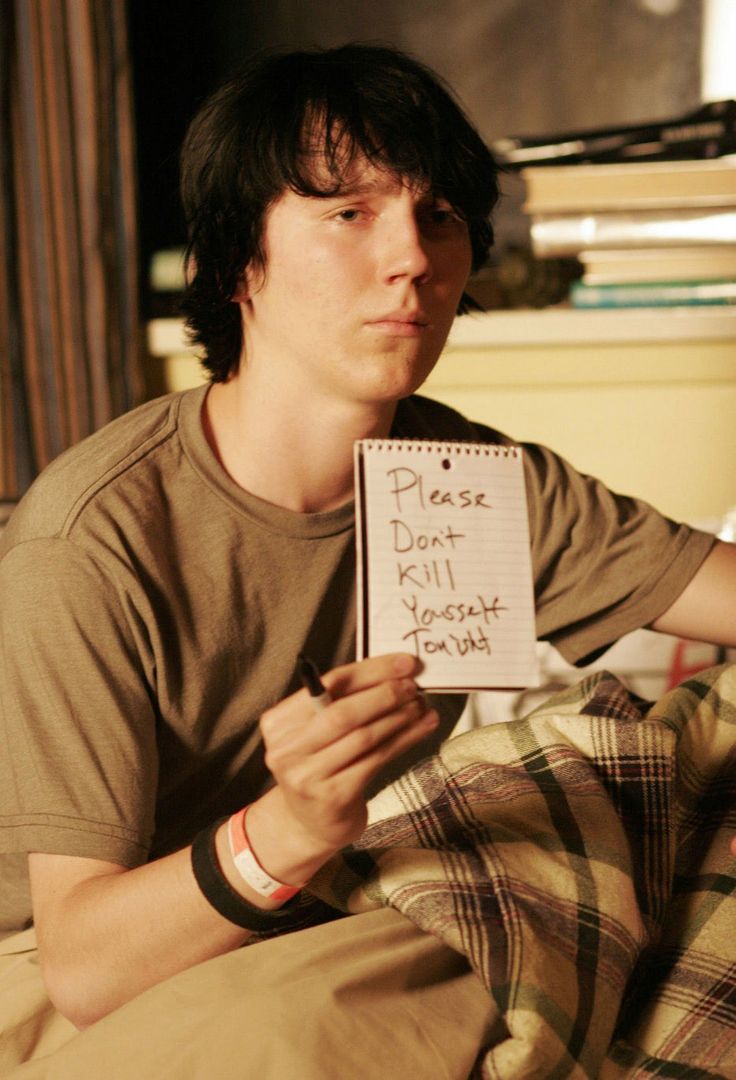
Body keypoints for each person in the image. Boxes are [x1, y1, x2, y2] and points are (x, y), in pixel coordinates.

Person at [0, 42, 734, 1076]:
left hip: (342, 905)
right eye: (347, 213)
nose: (412, 259)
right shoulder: (89, 542)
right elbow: (84, 965)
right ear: (235, 261)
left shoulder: (465, 476)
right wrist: (291, 826)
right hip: (71, 964)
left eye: (438, 216)